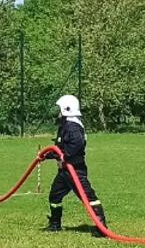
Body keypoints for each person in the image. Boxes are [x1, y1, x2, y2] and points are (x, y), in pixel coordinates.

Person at [45, 94, 107, 237]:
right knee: (55, 196)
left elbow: (76, 145)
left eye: (60, 109)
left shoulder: (72, 126)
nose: (58, 113)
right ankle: (55, 224)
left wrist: (63, 155)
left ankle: (101, 227)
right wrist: (48, 155)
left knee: (88, 197)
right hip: (64, 171)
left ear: (66, 109)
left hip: (75, 170)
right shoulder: (66, 125)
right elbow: (61, 148)